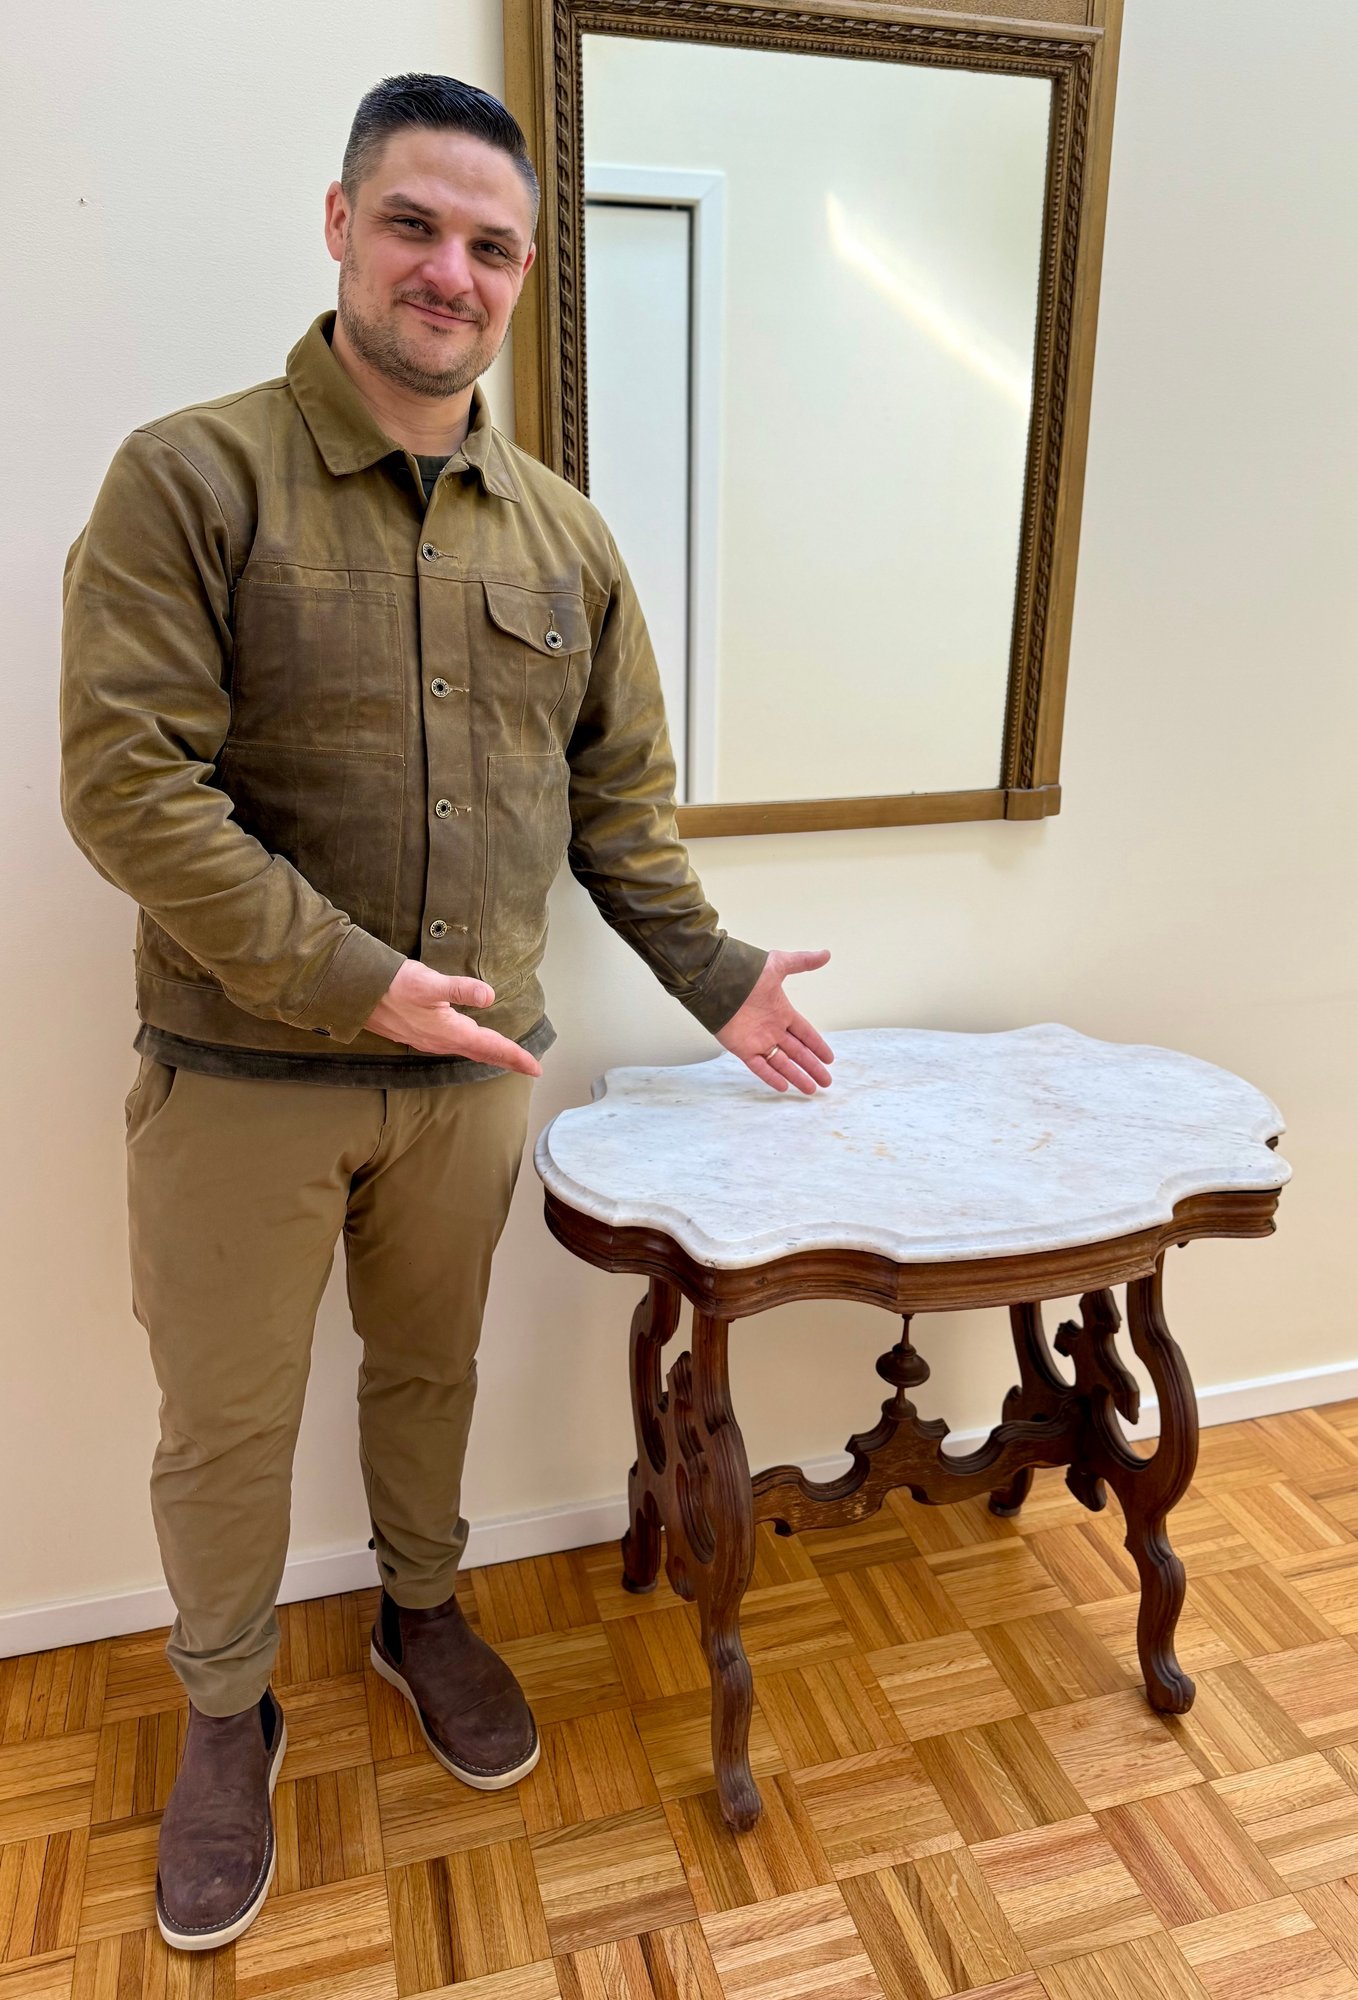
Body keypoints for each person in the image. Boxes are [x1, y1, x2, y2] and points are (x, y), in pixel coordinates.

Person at [59, 72, 834, 1952]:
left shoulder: (565, 540)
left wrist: (717, 977)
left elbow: (617, 810)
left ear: (523, 274)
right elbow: (127, 787)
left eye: (490, 244)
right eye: (413, 224)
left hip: (471, 1086)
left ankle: (421, 1615)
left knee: (431, 1375)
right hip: (241, 1075)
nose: (449, 271)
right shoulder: (191, 477)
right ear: (340, 225)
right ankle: (226, 1710)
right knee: (224, 1426)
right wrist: (357, 981)